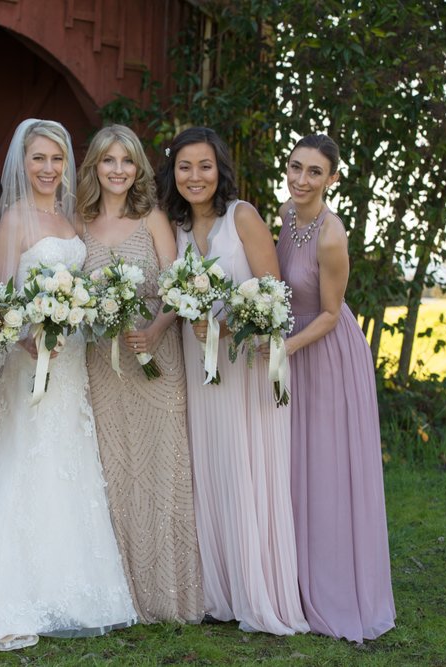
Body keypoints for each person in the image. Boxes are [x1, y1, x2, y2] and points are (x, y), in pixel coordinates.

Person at [0, 119, 137, 652]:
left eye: (57, 158)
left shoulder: (70, 218)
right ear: (22, 162)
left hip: (71, 359)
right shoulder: (12, 221)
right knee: (26, 456)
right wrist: (26, 341)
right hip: (30, 359)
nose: (48, 168)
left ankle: (70, 589)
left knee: (69, 459)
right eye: (38, 158)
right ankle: (7, 589)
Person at [160, 126, 308, 635]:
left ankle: (257, 592)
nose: (195, 176)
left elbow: (274, 297)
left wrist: (224, 327)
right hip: (200, 365)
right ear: (173, 172)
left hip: (244, 365)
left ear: (219, 168)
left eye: (204, 166)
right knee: (212, 467)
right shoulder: (177, 227)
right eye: (184, 167)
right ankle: (218, 593)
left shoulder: (241, 216)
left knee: (247, 468)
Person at [76, 124, 202, 623]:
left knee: (162, 466)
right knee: (112, 469)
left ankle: (166, 593)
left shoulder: (152, 217)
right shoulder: (80, 221)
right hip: (101, 364)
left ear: (139, 168)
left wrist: (154, 330)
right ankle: (119, 594)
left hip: (156, 358)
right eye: (109, 160)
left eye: (127, 160)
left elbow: (176, 286)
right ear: (94, 166)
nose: (118, 170)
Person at [276, 134, 396, 642]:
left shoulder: (331, 235)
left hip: (325, 353)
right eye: (295, 167)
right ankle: (294, 582)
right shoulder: (285, 214)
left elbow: (329, 313)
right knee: (294, 463)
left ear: (332, 179)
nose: (301, 180)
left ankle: (336, 591)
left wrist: (284, 348)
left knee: (326, 467)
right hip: (292, 347)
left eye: (314, 172)